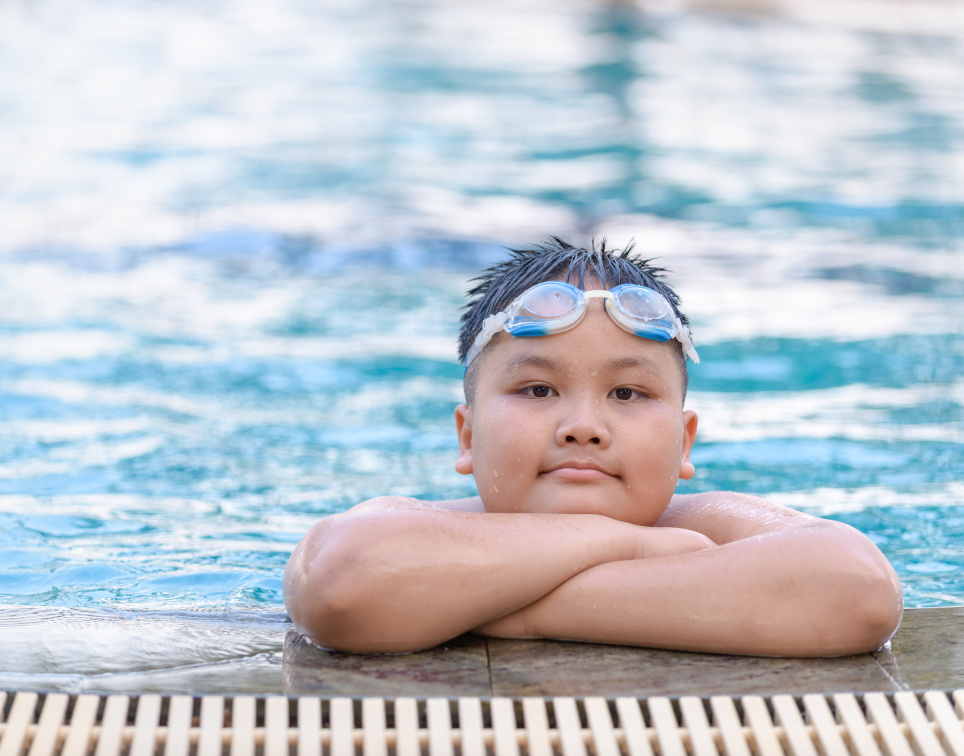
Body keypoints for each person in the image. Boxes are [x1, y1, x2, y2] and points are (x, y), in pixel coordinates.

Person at [283, 238, 903, 656]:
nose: (583, 426)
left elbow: (859, 588)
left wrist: (521, 614)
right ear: (469, 436)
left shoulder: (701, 520)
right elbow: (341, 585)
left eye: (628, 394)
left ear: (684, 443)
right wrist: (631, 545)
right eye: (537, 388)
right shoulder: (425, 524)